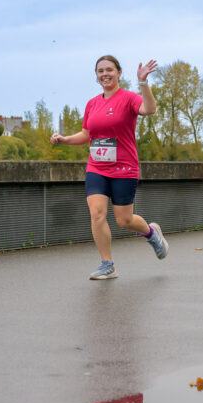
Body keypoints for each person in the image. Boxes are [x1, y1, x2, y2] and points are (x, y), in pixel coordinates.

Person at [51, 55, 168, 279]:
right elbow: (86, 134)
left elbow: (149, 109)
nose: (105, 74)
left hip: (124, 167)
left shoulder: (129, 98)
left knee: (124, 220)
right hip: (97, 167)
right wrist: (65, 139)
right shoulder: (92, 104)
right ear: (96, 75)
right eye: (100, 71)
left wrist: (143, 83)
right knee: (96, 214)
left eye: (109, 70)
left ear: (119, 73)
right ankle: (107, 264)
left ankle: (151, 233)